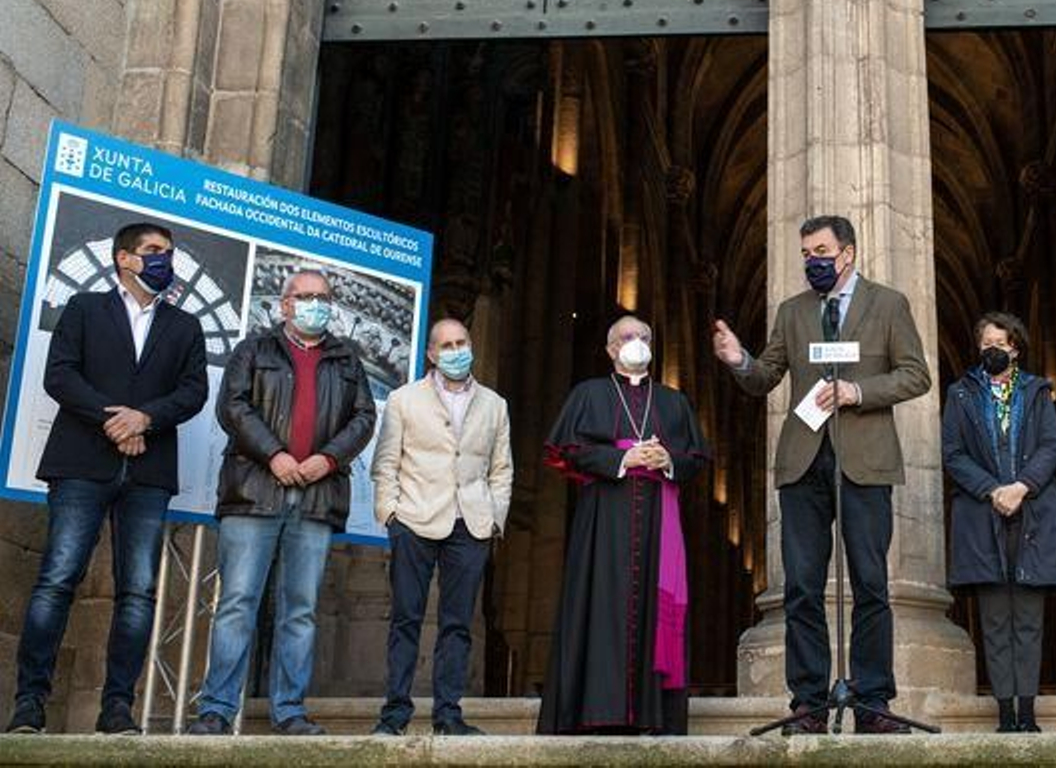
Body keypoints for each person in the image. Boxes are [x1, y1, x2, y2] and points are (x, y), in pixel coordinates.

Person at [712, 215, 932, 734]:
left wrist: (859, 392)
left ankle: (872, 702)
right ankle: (808, 703)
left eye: (821, 251)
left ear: (848, 253)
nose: (812, 260)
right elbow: (765, 376)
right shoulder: (792, 312)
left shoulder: (888, 304)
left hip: (865, 459)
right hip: (804, 463)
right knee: (802, 589)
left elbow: (916, 374)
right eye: (806, 252)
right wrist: (738, 358)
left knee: (871, 585)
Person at [6, 223, 208, 735]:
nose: (165, 260)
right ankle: (30, 704)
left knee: (138, 591)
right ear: (125, 259)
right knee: (57, 578)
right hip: (81, 464)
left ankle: (117, 708)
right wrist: (114, 421)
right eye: (154, 251)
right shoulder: (84, 308)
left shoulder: (185, 325)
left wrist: (146, 419)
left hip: (149, 473)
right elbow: (61, 375)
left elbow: (192, 392)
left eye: (169, 253)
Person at [186, 268, 376, 736]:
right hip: (254, 492)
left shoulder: (347, 358)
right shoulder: (254, 349)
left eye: (324, 297)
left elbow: (364, 416)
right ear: (285, 305)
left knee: (300, 610)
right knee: (236, 603)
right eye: (306, 296)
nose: (317, 304)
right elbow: (233, 406)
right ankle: (216, 709)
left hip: (316, 500)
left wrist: (327, 460)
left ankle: (289, 710)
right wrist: (274, 454)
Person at [537, 316, 711, 735]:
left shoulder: (673, 401)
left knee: (656, 608)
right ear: (611, 350)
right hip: (603, 520)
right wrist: (621, 459)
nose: (638, 344)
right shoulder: (589, 393)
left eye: (645, 338)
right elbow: (568, 451)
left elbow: (698, 459)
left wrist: (668, 461)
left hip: (659, 521)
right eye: (628, 338)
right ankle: (596, 713)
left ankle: (654, 716)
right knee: (601, 604)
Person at [371, 318, 513, 736]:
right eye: (446, 345)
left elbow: (501, 468)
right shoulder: (403, 399)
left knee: (457, 623)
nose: (456, 351)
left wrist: (493, 518)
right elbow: (386, 462)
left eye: (462, 342)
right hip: (414, 519)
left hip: (470, 523)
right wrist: (390, 515)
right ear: (431, 354)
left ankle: (448, 715)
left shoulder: (494, 404)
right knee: (406, 619)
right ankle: (394, 714)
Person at [941, 312, 1056, 733]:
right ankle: (1005, 714)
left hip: (1032, 512)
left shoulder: (1037, 391)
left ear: (1015, 347)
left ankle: (1028, 713)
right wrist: (992, 490)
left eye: (999, 343)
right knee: (995, 619)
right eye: (985, 345)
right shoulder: (961, 395)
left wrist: (1022, 486)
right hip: (983, 516)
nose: (991, 350)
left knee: (1029, 619)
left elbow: (1052, 444)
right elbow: (953, 453)